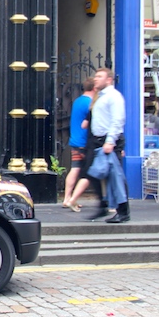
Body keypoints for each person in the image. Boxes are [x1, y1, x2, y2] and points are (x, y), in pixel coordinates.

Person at [86, 67, 130, 223]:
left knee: (116, 176)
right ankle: (103, 205)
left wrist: (110, 141)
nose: (96, 79)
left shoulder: (114, 96)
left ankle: (123, 211)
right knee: (91, 172)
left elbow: (117, 120)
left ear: (109, 80)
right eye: (96, 76)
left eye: (100, 76)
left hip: (109, 141)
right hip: (97, 140)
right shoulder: (100, 96)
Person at [62, 77, 95, 212]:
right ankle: (72, 199)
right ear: (94, 88)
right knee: (90, 172)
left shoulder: (77, 101)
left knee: (75, 169)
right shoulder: (90, 103)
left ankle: (67, 198)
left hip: (75, 140)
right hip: (84, 141)